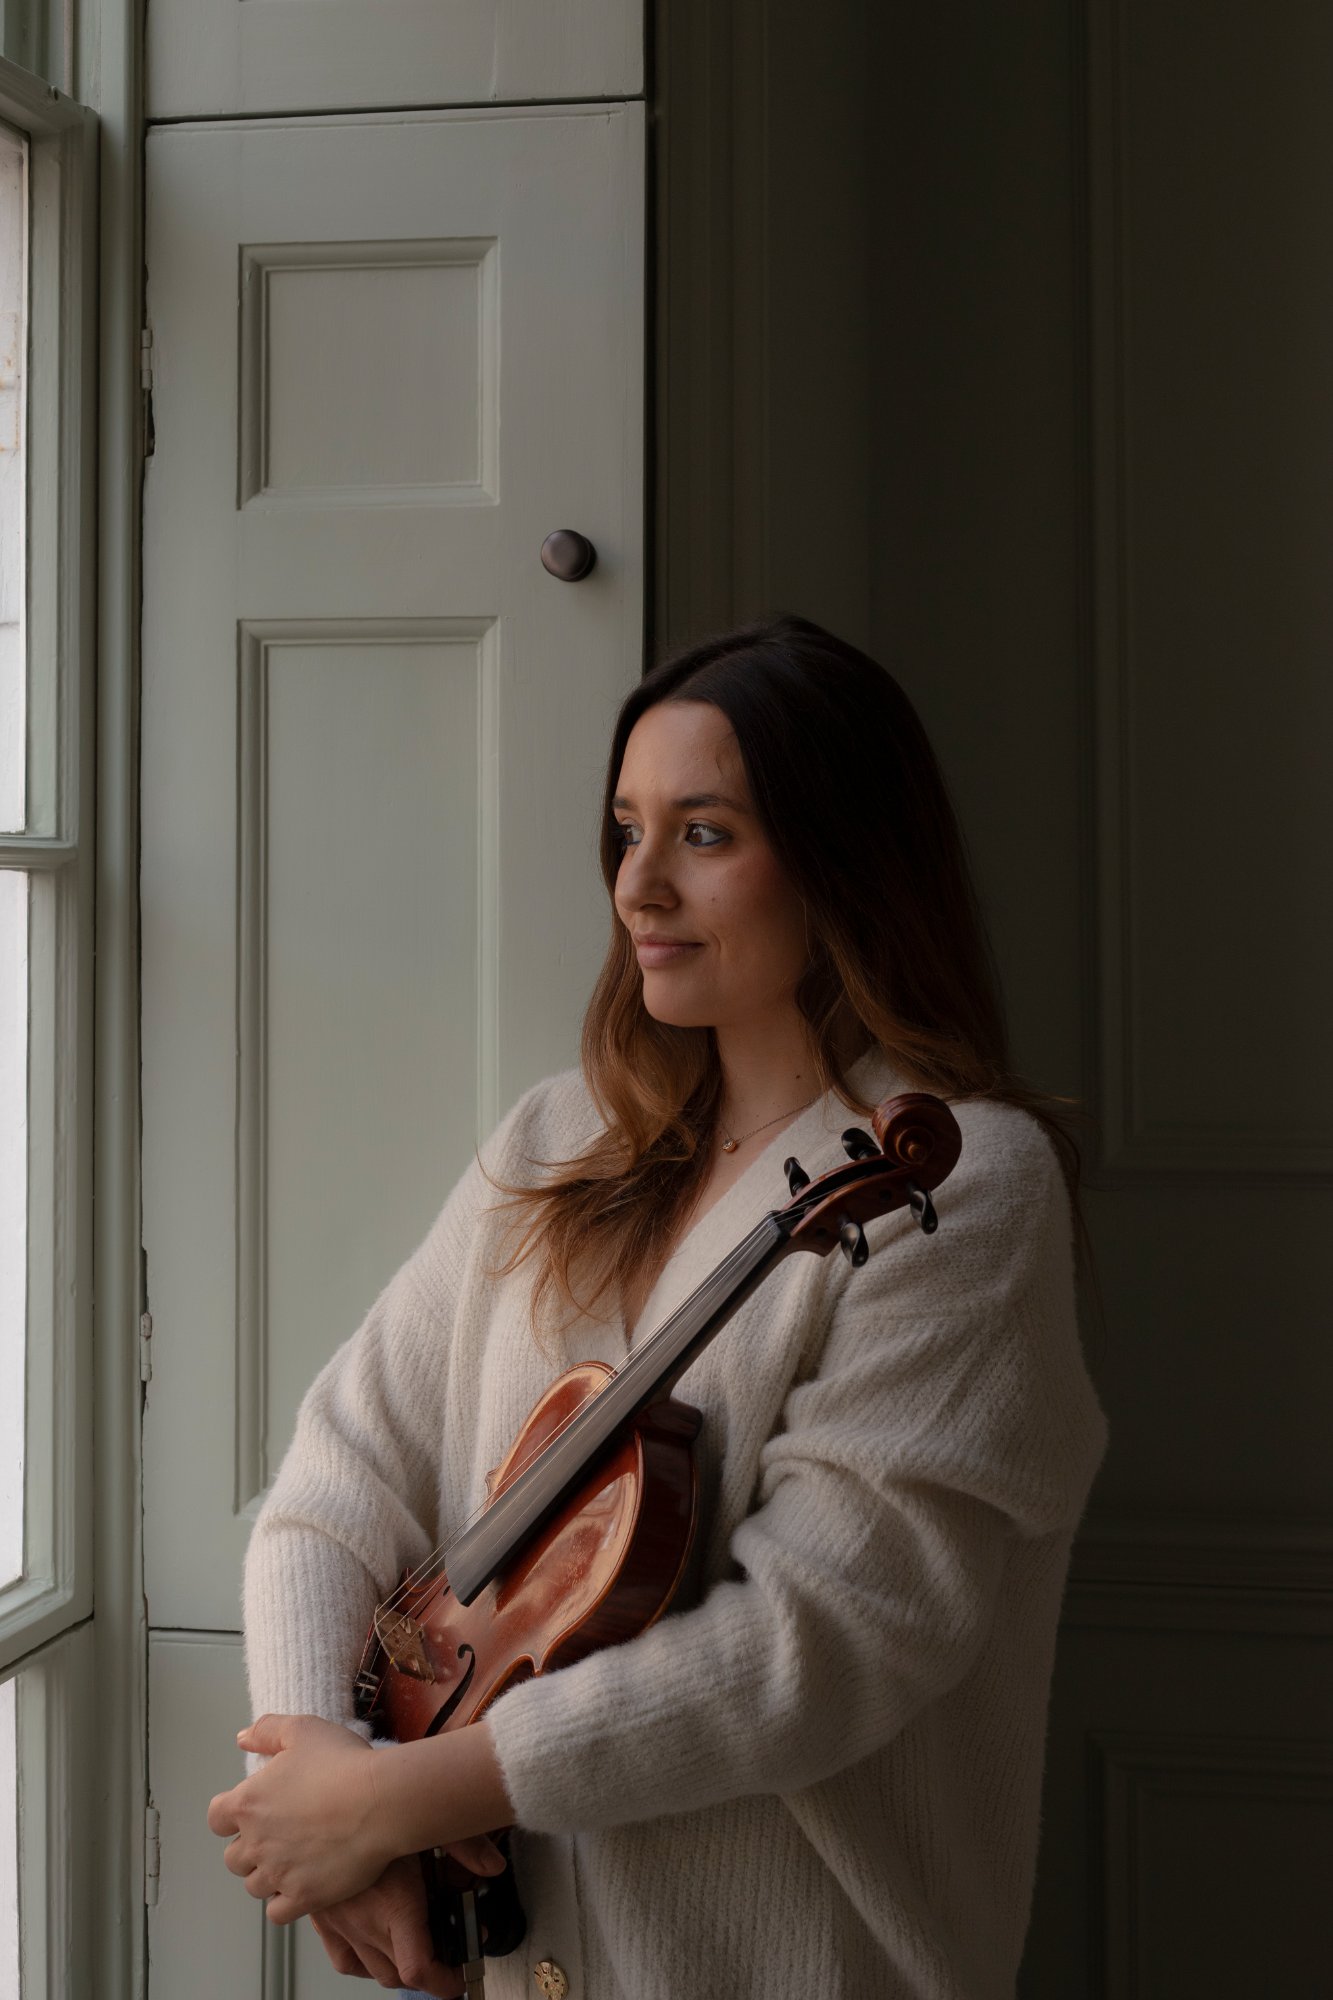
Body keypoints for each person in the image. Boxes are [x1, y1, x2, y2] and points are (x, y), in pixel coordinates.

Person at [207, 613, 1108, 1999]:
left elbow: (821, 1639)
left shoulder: (963, 1185)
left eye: (703, 833)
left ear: (841, 858)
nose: (638, 886)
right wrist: (328, 1776)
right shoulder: (556, 1140)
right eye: (625, 831)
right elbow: (337, 1476)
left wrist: (405, 1801)